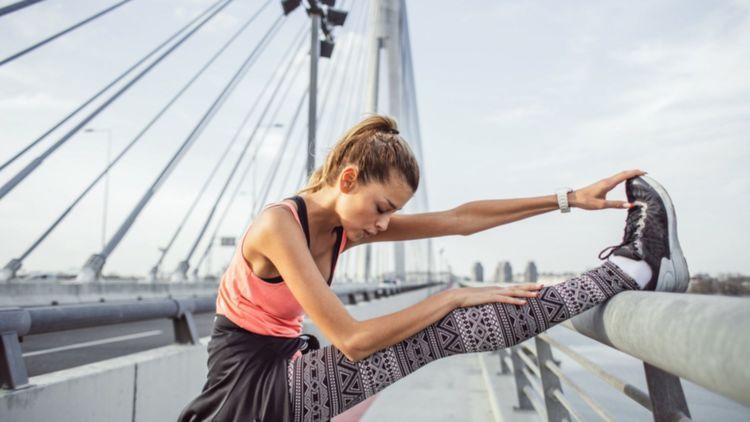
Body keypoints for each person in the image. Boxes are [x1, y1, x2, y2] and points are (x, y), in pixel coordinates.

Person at [178, 115, 689, 422]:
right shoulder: (277, 225)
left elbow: (458, 220)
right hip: (250, 387)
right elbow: (353, 340)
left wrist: (569, 198)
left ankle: (630, 271)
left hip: (285, 368)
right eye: (383, 208)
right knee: (448, 324)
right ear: (349, 179)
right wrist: (450, 296)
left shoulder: (347, 226)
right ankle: (630, 272)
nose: (386, 225)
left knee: (457, 321)